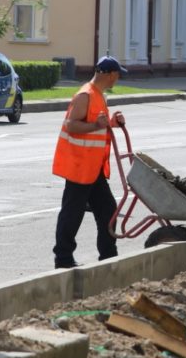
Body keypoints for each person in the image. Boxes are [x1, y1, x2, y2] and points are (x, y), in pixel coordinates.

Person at [51, 55, 129, 269]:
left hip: (93, 169)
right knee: (72, 213)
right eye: (118, 75)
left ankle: (108, 255)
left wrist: (112, 122)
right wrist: (97, 125)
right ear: (111, 74)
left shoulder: (98, 95)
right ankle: (63, 258)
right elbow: (71, 125)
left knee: (108, 210)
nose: (118, 79)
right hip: (80, 167)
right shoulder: (85, 95)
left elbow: (97, 124)